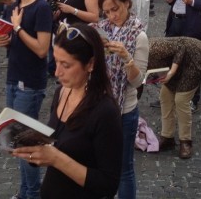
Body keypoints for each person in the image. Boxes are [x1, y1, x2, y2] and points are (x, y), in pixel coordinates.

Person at [12, 24, 122, 198]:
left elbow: (108, 185)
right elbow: (58, 143)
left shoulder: (105, 111)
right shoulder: (61, 92)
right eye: (56, 61)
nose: (57, 72)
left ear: (91, 64)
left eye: (66, 65)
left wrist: (56, 159)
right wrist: (36, 152)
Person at [0, 0, 53, 199]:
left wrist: (18, 29)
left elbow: (42, 49)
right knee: (14, 141)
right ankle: (25, 191)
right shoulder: (14, 7)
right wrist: (5, 39)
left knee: (24, 143)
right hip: (13, 77)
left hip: (30, 82)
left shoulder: (41, 8)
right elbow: (14, 42)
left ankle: (33, 193)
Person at [93, 0, 148, 199]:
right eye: (107, 11)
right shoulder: (103, 28)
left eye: (115, 9)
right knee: (100, 163)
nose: (112, 15)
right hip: (100, 105)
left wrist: (126, 57)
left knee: (124, 168)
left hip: (124, 110)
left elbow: (137, 81)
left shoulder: (138, 34)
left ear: (126, 3)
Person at [147, 36, 201, 159]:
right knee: (165, 96)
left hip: (195, 59)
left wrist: (171, 73)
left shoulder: (153, 48)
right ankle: (167, 137)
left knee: (181, 100)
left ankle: (185, 141)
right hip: (175, 66)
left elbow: (181, 47)